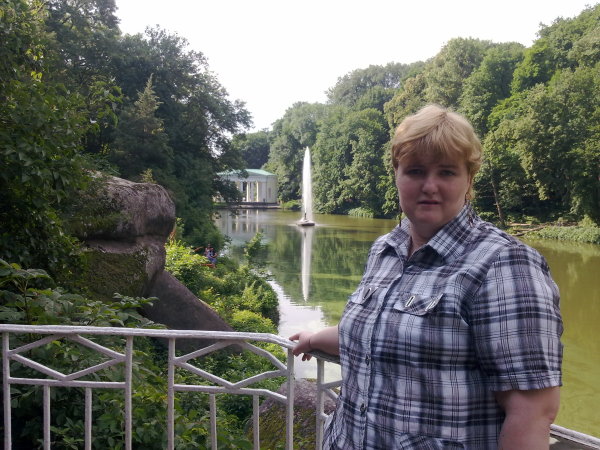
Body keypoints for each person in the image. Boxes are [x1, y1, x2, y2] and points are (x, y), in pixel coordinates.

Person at [289, 104, 563, 449]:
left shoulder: (504, 263)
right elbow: (376, 334)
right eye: (416, 171)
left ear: (468, 179)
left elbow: (532, 411)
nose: (429, 186)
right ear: (397, 174)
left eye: (446, 172)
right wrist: (315, 337)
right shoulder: (385, 249)